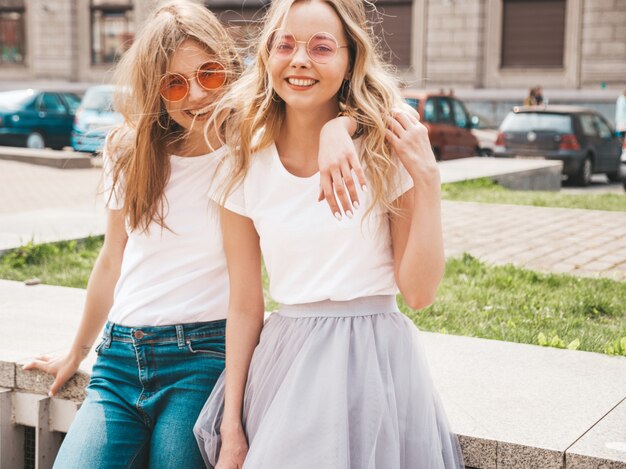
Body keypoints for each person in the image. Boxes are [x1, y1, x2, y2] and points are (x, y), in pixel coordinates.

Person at [22, 1, 361, 467]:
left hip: (201, 357)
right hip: (119, 359)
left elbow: (348, 102)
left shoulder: (250, 145)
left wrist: (342, 127)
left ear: (229, 66)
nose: (197, 95)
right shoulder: (129, 148)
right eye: (175, 83)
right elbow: (112, 258)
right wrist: (75, 350)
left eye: (210, 74)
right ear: (155, 91)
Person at [194, 0, 464, 467]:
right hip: (287, 362)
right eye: (286, 45)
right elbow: (243, 303)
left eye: (321, 48)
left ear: (349, 60)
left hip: (376, 361)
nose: (300, 60)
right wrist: (231, 422)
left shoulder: (382, 151)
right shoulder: (242, 164)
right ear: (266, 56)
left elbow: (419, 293)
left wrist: (428, 183)